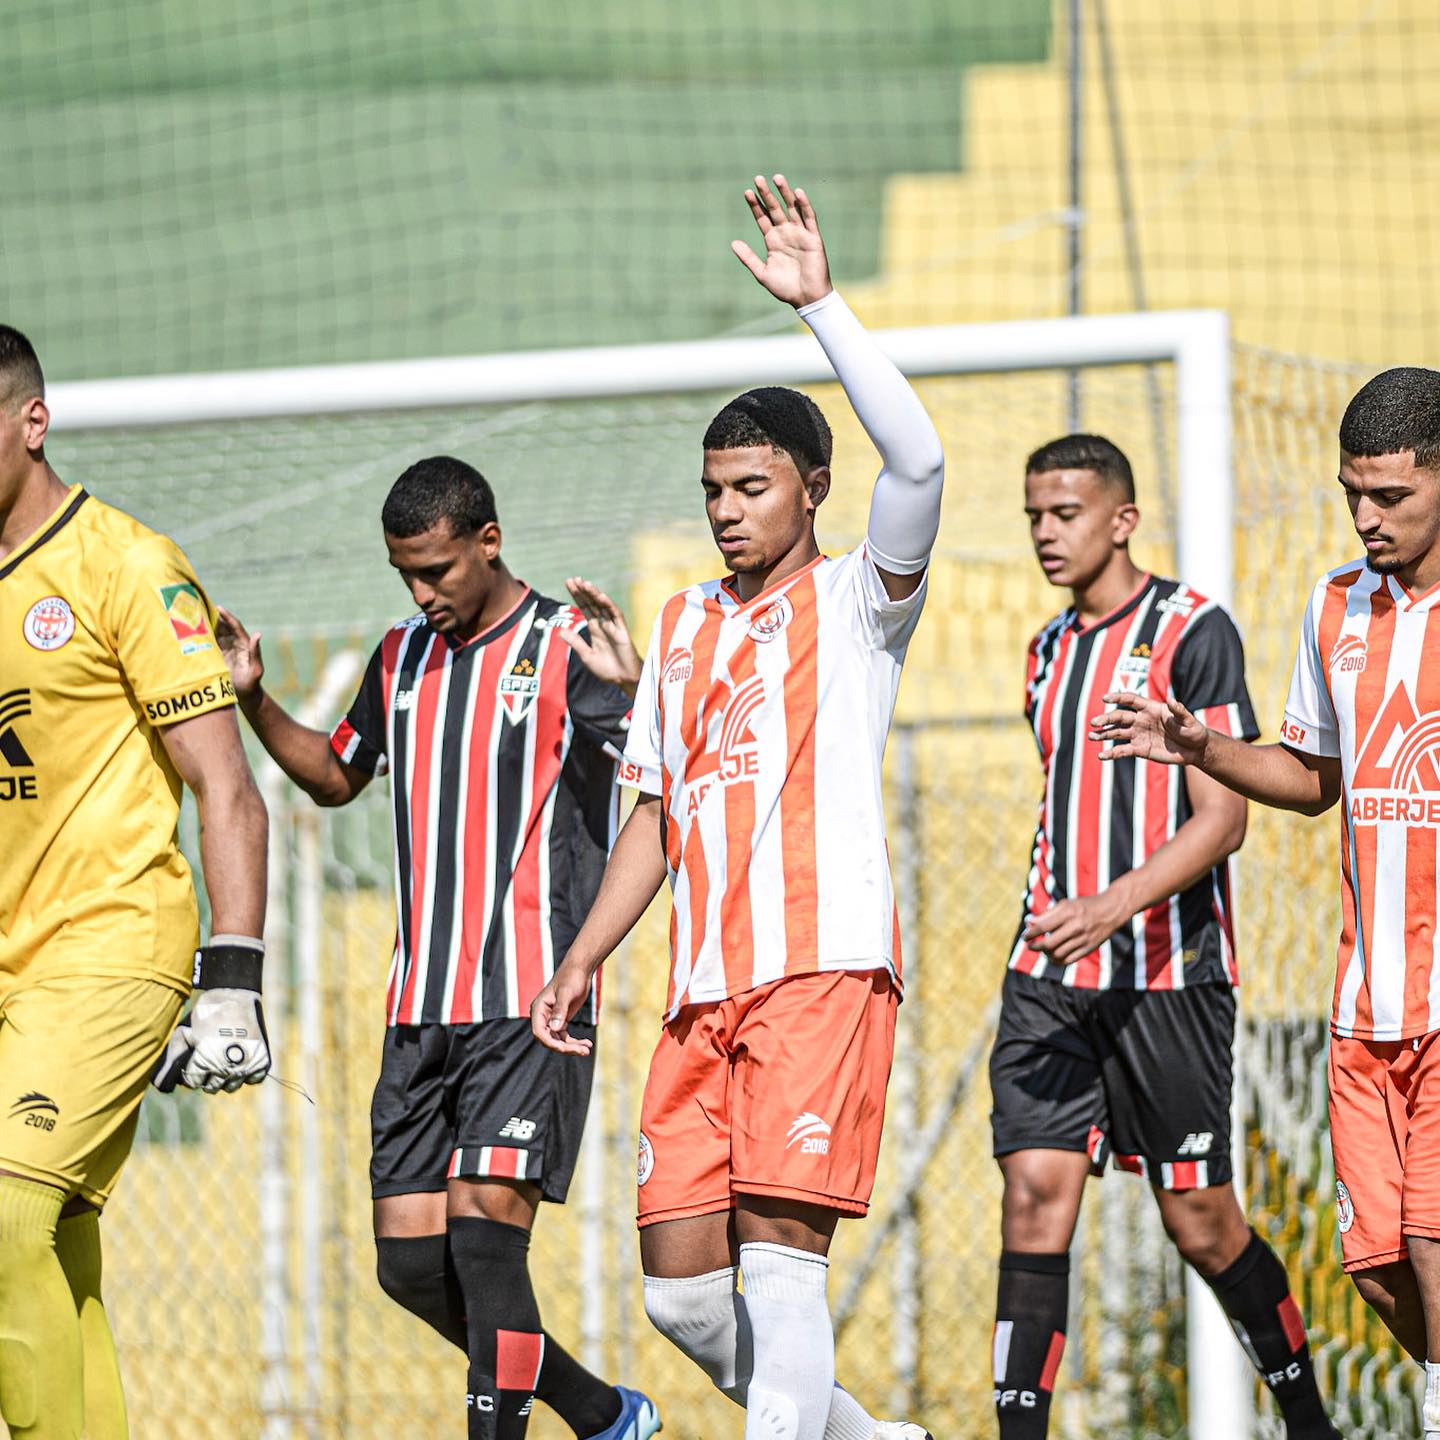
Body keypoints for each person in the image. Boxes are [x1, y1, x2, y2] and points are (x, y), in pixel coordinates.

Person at [532, 174, 941, 1440]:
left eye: (752, 488)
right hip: (702, 989)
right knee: (685, 1300)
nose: (725, 511)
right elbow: (651, 815)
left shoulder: (861, 605)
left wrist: (823, 309)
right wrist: (582, 959)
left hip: (821, 971)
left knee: (779, 1266)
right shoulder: (684, 622)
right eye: (713, 490)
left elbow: (920, 458)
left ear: (812, 488)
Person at [217, 455, 659, 1440]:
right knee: (412, 1267)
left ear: (488, 543)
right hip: (419, 1007)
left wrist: (632, 699)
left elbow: (650, 786)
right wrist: (252, 699)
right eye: (406, 575)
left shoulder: (566, 646)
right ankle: (600, 1413)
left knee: (490, 1251)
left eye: (439, 571)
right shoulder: (399, 655)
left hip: (530, 1002)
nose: (424, 593)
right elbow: (336, 776)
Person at [1093, 367, 1440, 1439]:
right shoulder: (1337, 602)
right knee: (1380, 1275)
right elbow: (1310, 776)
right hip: (1362, 1008)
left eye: (1391, 497)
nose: (1366, 518)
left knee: (1431, 1254)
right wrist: (1202, 745)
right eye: (1354, 495)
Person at [990, 433, 1337, 1439]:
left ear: (1123, 518)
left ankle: (1308, 1421)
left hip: (1168, 977)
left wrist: (1109, 906)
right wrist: (1070, 915)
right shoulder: (1047, 648)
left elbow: (1222, 819)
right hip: (1048, 974)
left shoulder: (1194, 629)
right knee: (1033, 1200)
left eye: (1066, 513)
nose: (1047, 534)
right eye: (1034, 517)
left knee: (1201, 1223)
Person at [0, 323, 271, 1439]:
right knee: (57, 1250)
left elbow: (228, 787)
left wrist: (234, 979)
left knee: (3, 1214)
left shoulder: (127, 565)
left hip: (114, 945)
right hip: (16, 971)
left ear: (32, 422)